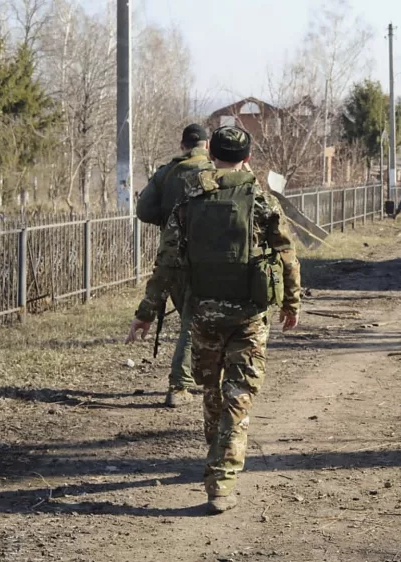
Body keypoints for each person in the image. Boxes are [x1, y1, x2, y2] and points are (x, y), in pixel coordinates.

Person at [126, 126, 302, 514]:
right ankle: (222, 478)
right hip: (250, 314)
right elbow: (287, 254)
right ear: (248, 158)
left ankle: (216, 456)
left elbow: (167, 262)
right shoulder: (261, 199)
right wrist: (291, 303)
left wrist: (146, 313)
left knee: (212, 391)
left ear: (212, 155)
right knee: (238, 396)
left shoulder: (190, 199)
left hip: (203, 312)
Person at [135, 123, 213, 407]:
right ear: (206, 145)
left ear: (182, 145)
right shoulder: (214, 171)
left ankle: (194, 378)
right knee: (193, 322)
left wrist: (169, 220)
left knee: (190, 319)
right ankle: (179, 385)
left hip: (172, 258)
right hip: (207, 258)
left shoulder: (166, 173)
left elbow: (144, 210)